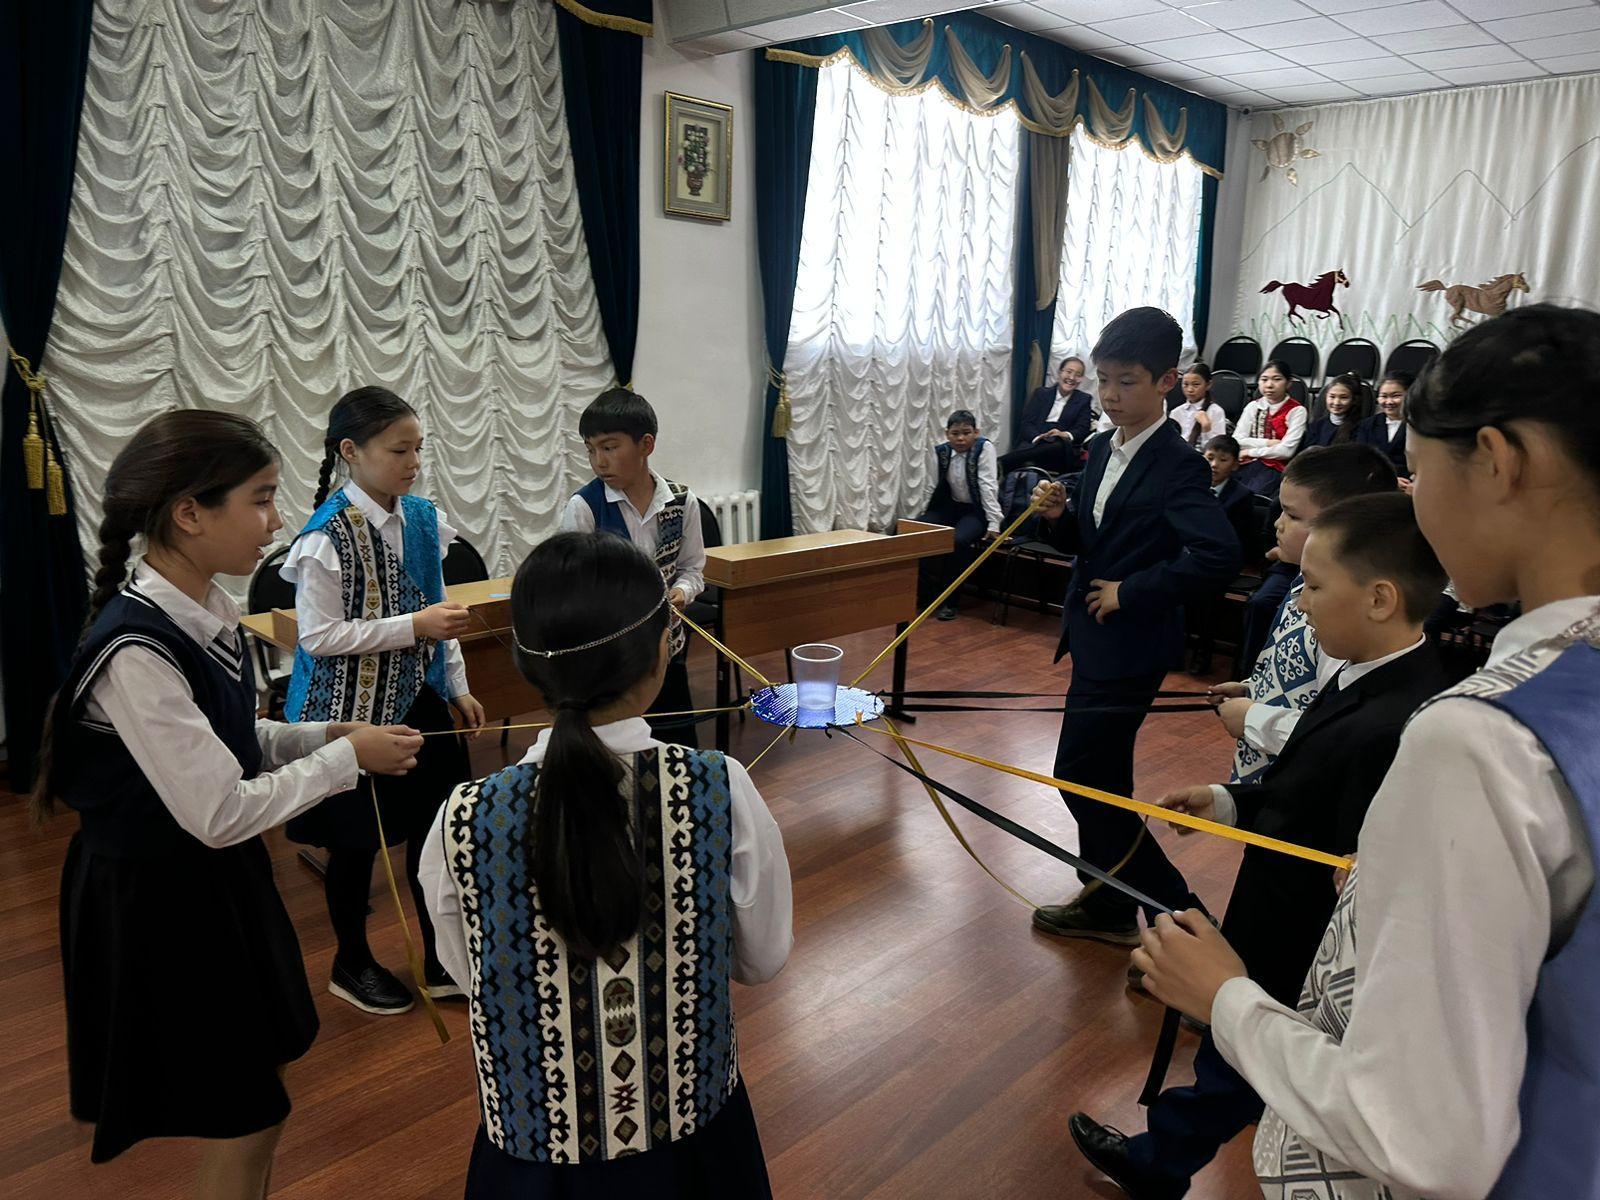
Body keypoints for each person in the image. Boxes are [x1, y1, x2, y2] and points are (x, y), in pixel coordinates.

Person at [1135, 304, 1600, 1200]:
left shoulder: (1484, 738)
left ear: (1498, 461)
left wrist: (1226, 997)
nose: (1413, 503)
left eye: (1419, 472)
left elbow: (1419, 1135)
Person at [33, 411, 422, 1196]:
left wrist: (320, 736)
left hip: (215, 881)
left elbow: (230, 736)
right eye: (261, 499)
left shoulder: (206, 606)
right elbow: (218, 812)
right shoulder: (136, 650)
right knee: (246, 1109)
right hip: (160, 897)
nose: (276, 522)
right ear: (189, 513)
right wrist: (347, 758)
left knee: (260, 1086)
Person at [1068, 491, 1456, 1200]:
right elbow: (1303, 787)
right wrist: (1226, 801)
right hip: (1272, 908)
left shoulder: (1397, 722)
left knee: (1239, 1057)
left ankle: (1157, 1164)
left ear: (1379, 599)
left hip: (1300, 936)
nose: (1299, 604)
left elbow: (1347, 862)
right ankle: (1160, 1161)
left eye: (1314, 587)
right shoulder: (1365, 674)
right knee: (1234, 1060)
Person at [419, 532, 792, 1198]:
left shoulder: (462, 816)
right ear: (659, 653)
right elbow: (761, 960)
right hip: (693, 1145)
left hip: (534, 1160)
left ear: (528, 667)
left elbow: (473, 974)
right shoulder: (719, 786)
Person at [1028, 307, 1241, 945]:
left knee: (1079, 776)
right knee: (1102, 780)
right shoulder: (1101, 446)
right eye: (1104, 380)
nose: (1111, 395)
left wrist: (1132, 592)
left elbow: (1218, 555)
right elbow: (1092, 543)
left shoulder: (1178, 463)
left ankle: (1185, 920)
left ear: (1167, 381)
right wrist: (1058, 517)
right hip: (1093, 640)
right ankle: (1110, 904)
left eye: (1127, 381)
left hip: (1131, 647)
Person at [282, 385, 484, 1016]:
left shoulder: (421, 518)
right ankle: (351, 962)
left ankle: (442, 960)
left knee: (435, 832)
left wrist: (457, 685)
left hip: (418, 697)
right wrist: (412, 627)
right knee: (356, 844)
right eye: (399, 450)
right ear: (351, 451)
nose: (413, 462)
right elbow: (318, 637)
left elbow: (439, 609)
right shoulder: (326, 536)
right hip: (348, 712)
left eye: (418, 448)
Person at [1212, 444, 1399, 787]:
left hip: (1294, 787)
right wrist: (1255, 688)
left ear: (1348, 525)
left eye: (1293, 516)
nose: (1278, 524)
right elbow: (1304, 679)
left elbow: (1334, 730)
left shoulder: (1342, 614)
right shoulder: (1304, 580)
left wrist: (1254, 718)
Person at [560, 387, 708, 746]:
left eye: (610, 447)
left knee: (675, 744)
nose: (599, 462)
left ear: (646, 445)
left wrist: (682, 592)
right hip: (612, 660)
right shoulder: (585, 507)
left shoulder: (681, 502)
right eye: (591, 450)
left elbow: (693, 569)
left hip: (667, 649)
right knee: (618, 751)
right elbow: (572, 591)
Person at [917, 409, 1003, 620]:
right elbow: (931, 485)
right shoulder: (941, 451)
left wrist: (994, 522)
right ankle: (927, 593)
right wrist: (924, 514)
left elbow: (988, 485)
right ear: (947, 433)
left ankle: (950, 600)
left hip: (977, 510)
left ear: (976, 432)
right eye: (955, 433)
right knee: (917, 531)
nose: (961, 438)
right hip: (950, 506)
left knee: (958, 540)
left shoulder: (984, 448)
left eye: (966, 433)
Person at [1003, 356, 1094, 474]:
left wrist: (1064, 434)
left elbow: (1082, 429)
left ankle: (1004, 462)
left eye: (1078, 374)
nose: (1072, 378)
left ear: (1081, 379)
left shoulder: (1084, 399)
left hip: (1062, 447)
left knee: (1057, 445)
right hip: (1036, 440)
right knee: (1037, 451)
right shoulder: (1041, 393)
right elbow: (1027, 423)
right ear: (1060, 373)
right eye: (1069, 372)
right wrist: (1038, 437)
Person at [1233, 361, 1307, 498]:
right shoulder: (1253, 406)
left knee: (1248, 497)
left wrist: (1250, 451)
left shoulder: (1297, 411)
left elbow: (1286, 451)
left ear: (1288, 383)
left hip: (1274, 467)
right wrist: (1267, 443)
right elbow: (1237, 440)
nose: (1269, 385)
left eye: (1277, 379)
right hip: (1244, 462)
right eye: (1264, 379)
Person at [1203, 435, 1257, 562]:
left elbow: (1238, 540)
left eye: (1223, 460)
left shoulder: (1242, 496)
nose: (1214, 465)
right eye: (1209, 458)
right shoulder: (1190, 487)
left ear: (1235, 465)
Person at [1355, 370, 1413, 480]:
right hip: (1373, 480)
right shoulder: (1368, 424)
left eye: (1396, 396)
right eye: (1384, 396)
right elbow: (1361, 457)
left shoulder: (1419, 426)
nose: (1389, 402)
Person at [1302, 373, 1369, 449]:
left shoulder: (1362, 429)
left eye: (1343, 398)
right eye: (1332, 396)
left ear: (1354, 400)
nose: (1336, 402)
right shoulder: (1316, 427)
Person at [1173, 364, 1230, 449]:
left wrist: (1206, 427)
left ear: (1208, 385)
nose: (1190, 389)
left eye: (1196, 384)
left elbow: (1218, 448)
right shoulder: (1176, 412)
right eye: (1185, 384)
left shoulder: (1216, 411)